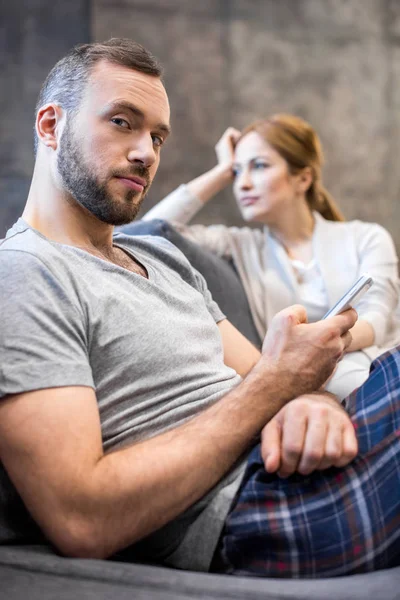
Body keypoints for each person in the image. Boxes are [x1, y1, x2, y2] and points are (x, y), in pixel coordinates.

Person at [0, 39, 399, 580]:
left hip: (299, 463)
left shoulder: (162, 257)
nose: (147, 152)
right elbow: (81, 518)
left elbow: (275, 380)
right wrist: (277, 389)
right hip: (259, 509)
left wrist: (317, 407)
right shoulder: (24, 273)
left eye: (157, 136)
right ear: (51, 126)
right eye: (123, 122)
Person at [144, 117, 400, 400]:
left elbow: (378, 317)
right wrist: (220, 172)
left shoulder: (366, 237)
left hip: (382, 368)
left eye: (259, 166)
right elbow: (147, 232)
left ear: (303, 178)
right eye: (238, 171)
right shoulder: (238, 245)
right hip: (312, 391)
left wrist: (322, 345)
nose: (242, 184)